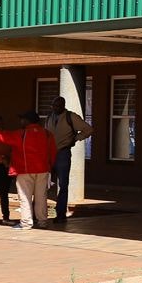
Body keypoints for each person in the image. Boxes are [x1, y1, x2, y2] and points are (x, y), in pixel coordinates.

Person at [44, 95, 93, 224]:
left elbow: (88, 129)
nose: (55, 108)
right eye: (53, 106)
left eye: (58, 106)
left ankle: (60, 213)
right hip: (49, 154)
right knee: (43, 183)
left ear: (63, 106)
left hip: (63, 153)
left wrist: (76, 139)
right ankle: (40, 213)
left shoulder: (71, 117)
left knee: (63, 184)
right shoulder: (49, 117)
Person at [7, 109, 57, 229]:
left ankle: (26, 223)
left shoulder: (21, 133)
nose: (21, 121)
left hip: (24, 170)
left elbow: (2, 137)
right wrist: (50, 166)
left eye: (22, 119)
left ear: (27, 120)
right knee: (41, 197)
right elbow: (53, 152)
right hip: (43, 170)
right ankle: (42, 221)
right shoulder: (47, 133)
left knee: (25, 197)